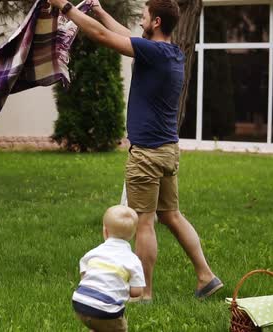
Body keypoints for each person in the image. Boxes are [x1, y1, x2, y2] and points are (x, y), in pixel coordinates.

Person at [48, 0, 223, 300]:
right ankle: (206, 276)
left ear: (155, 22)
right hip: (168, 150)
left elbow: (104, 38)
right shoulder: (171, 52)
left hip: (147, 154)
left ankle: (144, 293)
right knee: (172, 216)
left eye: (143, 16)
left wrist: (66, 7)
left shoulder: (153, 53)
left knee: (144, 222)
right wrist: (100, 11)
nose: (139, 20)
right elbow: (126, 38)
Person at [72, 205, 145, 332]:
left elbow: (84, 275)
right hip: (106, 310)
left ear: (105, 231)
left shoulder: (93, 253)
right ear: (134, 235)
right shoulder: (133, 260)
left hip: (80, 304)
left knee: (98, 325)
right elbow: (137, 292)